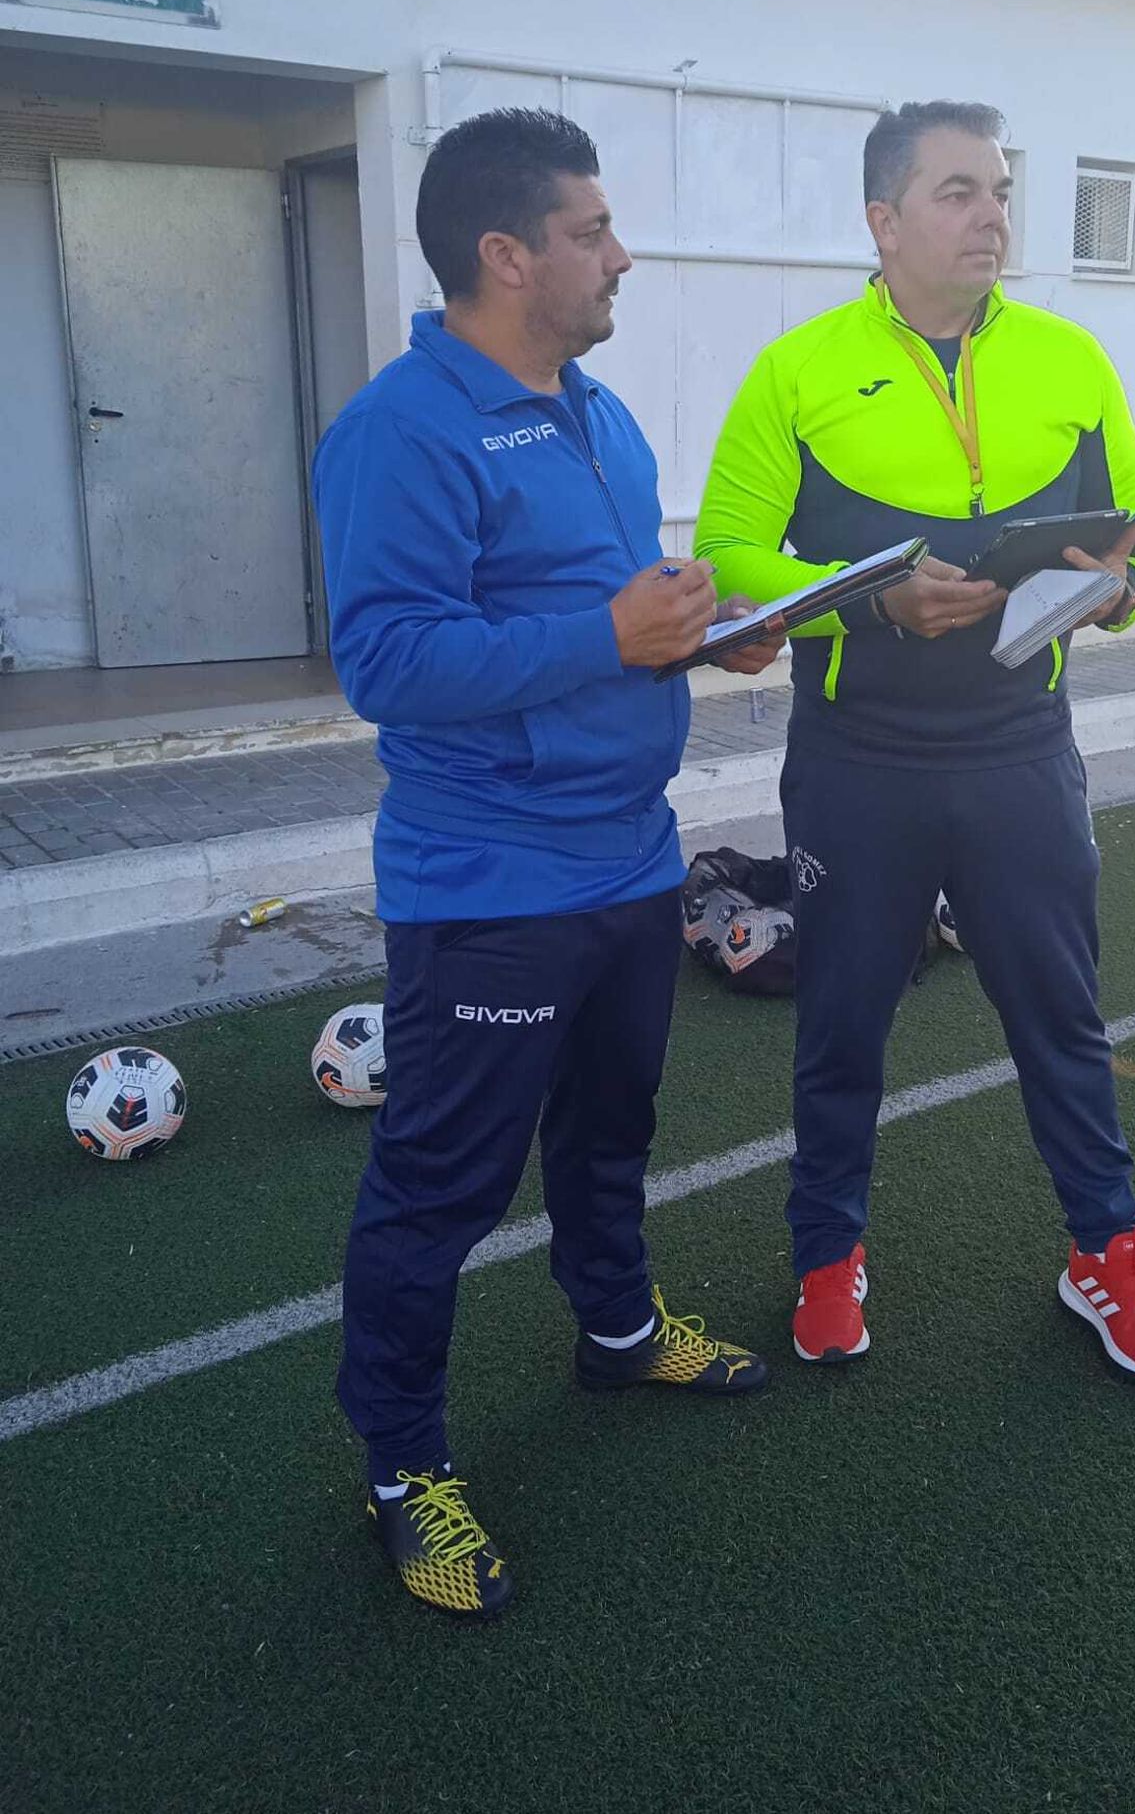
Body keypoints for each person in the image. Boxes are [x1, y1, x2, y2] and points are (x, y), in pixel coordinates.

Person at [314, 107, 783, 1621]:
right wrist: (606, 636)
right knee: (438, 1191)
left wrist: (711, 635)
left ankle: (618, 1327)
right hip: (489, 885)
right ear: (506, 255)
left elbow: (618, 619)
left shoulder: (598, 411)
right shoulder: (403, 427)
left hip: (631, 862)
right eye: (591, 228)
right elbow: (383, 659)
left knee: (607, 1134)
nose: (619, 251)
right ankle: (401, 1467)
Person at [695, 100, 1135, 1384]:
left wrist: (1124, 583)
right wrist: (871, 596)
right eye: (960, 192)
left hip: (1023, 748)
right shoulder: (797, 371)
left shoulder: (1072, 359)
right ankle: (824, 1259)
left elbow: (1134, 540)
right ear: (884, 219)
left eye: (1000, 190)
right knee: (841, 1026)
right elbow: (729, 552)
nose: (993, 217)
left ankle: (1107, 1260)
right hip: (859, 761)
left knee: (1061, 1021)